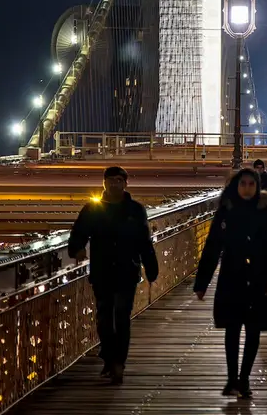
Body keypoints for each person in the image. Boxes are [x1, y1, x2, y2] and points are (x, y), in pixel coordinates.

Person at [193, 169, 267, 399]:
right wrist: (202, 282)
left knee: (253, 330)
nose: (246, 188)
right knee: (232, 329)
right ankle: (232, 378)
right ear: (236, 185)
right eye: (242, 184)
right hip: (232, 277)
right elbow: (212, 247)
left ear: (257, 187)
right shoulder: (227, 212)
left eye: (250, 184)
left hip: (259, 278)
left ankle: (243, 379)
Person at [67, 165, 158, 385]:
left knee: (121, 317)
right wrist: (76, 248)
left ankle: (118, 362)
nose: (115, 184)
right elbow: (79, 232)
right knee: (104, 317)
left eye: (119, 180)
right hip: (103, 271)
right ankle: (110, 357)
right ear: (104, 183)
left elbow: (143, 240)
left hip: (126, 270)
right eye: (111, 180)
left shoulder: (136, 210)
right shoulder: (92, 209)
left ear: (125, 183)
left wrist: (151, 267)